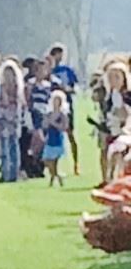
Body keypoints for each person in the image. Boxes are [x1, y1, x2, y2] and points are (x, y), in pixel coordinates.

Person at [49, 43, 80, 175]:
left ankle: (76, 165)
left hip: (66, 105)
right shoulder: (50, 71)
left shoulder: (67, 70)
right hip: (52, 105)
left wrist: (68, 90)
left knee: (70, 134)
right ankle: (54, 167)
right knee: (53, 137)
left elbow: (74, 87)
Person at [43, 89, 69, 187]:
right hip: (49, 139)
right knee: (47, 161)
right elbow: (44, 125)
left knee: (54, 162)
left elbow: (64, 127)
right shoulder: (49, 114)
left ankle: (53, 180)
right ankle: (57, 176)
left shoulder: (63, 115)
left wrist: (54, 123)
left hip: (58, 139)